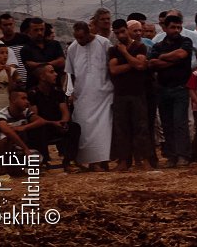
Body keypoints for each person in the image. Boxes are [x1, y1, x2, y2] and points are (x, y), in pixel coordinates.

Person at [66, 21, 114, 171]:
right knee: (84, 129)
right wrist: (71, 92)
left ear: (88, 33)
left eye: (82, 37)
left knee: (103, 131)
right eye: (77, 37)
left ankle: (101, 162)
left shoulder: (104, 43)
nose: (79, 41)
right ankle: (90, 162)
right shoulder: (73, 48)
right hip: (82, 95)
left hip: (104, 94)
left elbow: (111, 66)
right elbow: (70, 73)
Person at [149, 14, 194, 168]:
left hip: (180, 88)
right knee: (167, 123)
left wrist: (163, 58)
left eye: (179, 27)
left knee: (180, 122)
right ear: (165, 28)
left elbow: (181, 54)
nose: (176, 30)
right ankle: (172, 156)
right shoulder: (158, 45)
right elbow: (153, 63)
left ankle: (183, 155)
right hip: (163, 89)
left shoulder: (186, 41)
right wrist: (173, 60)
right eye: (173, 27)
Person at [108, 20, 151, 171]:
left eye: (122, 31)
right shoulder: (113, 50)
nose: (120, 35)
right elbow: (113, 70)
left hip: (137, 92)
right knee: (122, 128)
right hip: (120, 93)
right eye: (117, 32)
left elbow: (141, 66)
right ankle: (124, 160)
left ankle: (144, 159)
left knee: (141, 127)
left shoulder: (139, 46)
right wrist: (133, 64)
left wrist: (125, 53)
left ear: (127, 30)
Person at [28, 64, 81, 173]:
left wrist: (64, 122)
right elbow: (34, 117)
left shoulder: (57, 91)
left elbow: (65, 110)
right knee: (37, 129)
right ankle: (42, 162)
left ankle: (69, 161)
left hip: (58, 125)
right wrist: (52, 123)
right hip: (43, 125)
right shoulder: (33, 93)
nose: (56, 74)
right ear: (42, 77)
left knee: (74, 127)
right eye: (51, 72)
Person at [0, 89, 47, 160]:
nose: (27, 102)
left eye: (27, 99)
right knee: (5, 138)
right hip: (2, 148)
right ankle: (3, 166)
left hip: (19, 145)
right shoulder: (1, 115)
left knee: (39, 129)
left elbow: (41, 121)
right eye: (23, 98)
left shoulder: (25, 112)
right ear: (13, 100)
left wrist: (24, 127)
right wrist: (25, 148)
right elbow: (7, 131)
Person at [20, 17, 65, 90]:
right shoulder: (26, 49)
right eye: (36, 30)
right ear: (30, 31)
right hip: (35, 90)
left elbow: (61, 62)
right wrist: (51, 64)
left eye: (42, 29)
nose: (39, 33)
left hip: (56, 89)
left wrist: (41, 65)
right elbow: (29, 65)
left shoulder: (55, 44)